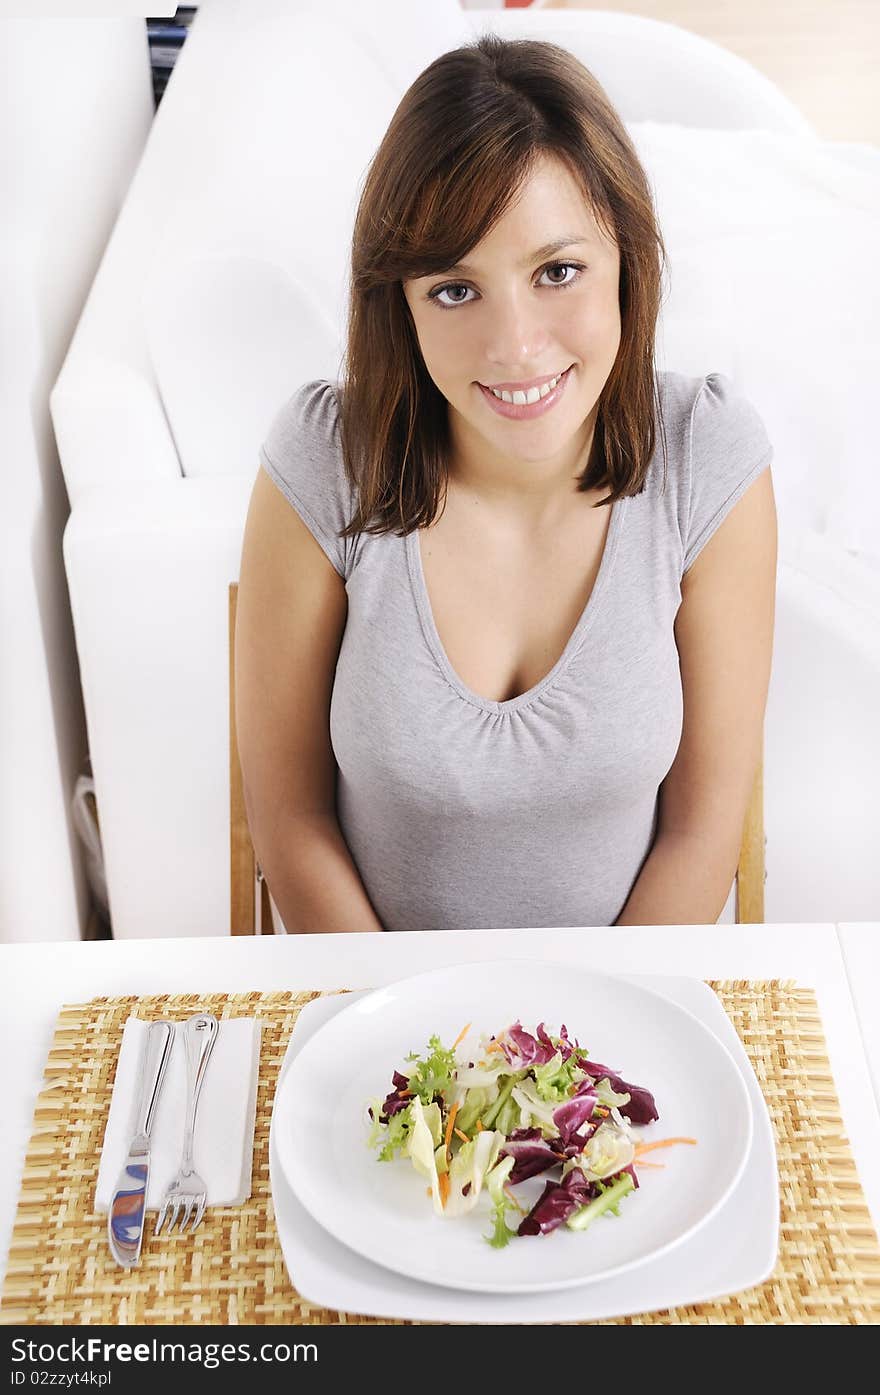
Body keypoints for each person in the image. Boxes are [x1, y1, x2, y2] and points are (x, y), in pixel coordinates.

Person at [235, 34, 777, 934]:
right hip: (385, 1040)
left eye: (557, 271)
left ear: (627, 264)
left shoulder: (706, 454)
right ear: (399, 306)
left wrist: (579, 1065)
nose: (516, 346)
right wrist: (418, 1055)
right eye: (455, 290)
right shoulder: (324, 459)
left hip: (621, 1036)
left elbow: (701, 831)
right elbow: (292, 825)